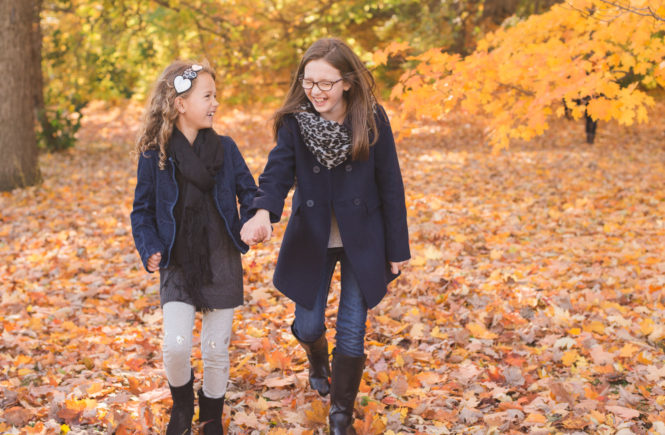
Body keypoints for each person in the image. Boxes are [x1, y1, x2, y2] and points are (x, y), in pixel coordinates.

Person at [240, 38, 410, 434]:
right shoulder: (295, 123)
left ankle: (340, 416)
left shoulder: (372, 120)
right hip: (312, 237)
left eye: (325, 83)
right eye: (308, 82)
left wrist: (397, 247)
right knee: (310, 324)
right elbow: (277, 173)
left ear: (348, 82)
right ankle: (316, 358)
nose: (315, 91)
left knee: (352, 329)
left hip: (363, 240)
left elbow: (391, 185)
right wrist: (262, 211)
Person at [130, 60, 256, 435]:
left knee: (216, 348)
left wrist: (253, 218)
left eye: (216, 95)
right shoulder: (155, 154)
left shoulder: (226, 149)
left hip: (221, 259)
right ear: (179, 103)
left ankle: (212, 417)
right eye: (207, 96)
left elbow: (249, 193)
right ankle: (183, 405)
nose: (215, 103)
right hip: (178, 263)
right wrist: (149, 245)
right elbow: (142, 209)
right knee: (176, 345)